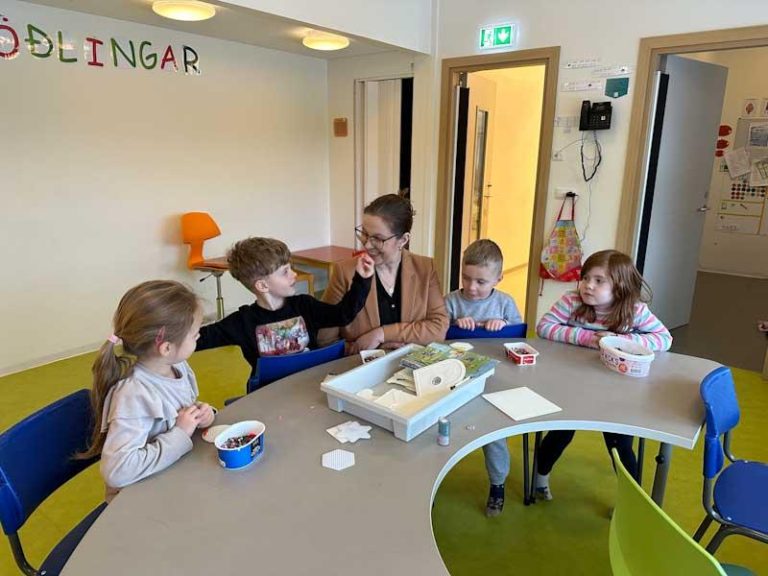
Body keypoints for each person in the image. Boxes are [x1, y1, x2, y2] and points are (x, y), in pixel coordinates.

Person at [534, 249, 672, 501]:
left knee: (620, 445)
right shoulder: (571, 301)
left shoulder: (635, 310)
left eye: (599, 281)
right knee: (559, 433)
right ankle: (539, 479)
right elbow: (544, 327)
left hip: (618, 394)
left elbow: (664, 339)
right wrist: (588, 338)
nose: (588, 286)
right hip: (573, 386)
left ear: (620, 287)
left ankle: (632, 499)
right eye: (586, 278)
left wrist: (619, 341)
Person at [81, 280, 215, 502]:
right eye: (194, 335)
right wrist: (180, 434)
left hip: (172, 478)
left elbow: (177, 413)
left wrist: (201, 414)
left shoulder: (177, 366)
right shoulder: (133, 395)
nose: (199, 337)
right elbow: (117, 471)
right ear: (166, 348)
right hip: (140, 501)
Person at [197, 237, 374, 388]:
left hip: (311, 385)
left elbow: (343, 314)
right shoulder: (242, 322)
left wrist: (362, 280)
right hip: (270, 395)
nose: (294, 274)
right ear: (262, 285)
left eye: (291, 268)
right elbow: (198, 338)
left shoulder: (305, 305)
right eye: (285, 272)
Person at [444, 239, 522, 517]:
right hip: (456, 378)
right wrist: (454, 325)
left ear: (498, 279)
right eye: (466, 278)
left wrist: (505, 325)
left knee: (494, 434)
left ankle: (497, 485)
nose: (471, 287)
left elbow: (520, 339)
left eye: (481, 281)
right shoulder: (451, 301)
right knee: (443, 427)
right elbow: (435, 336)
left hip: (494, 380)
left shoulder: (505, 303)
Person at [318, 194, 449, 352]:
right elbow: (325, 340)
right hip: (361, 364)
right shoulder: (345, 272)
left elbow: (438, 328)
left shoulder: (425, 268)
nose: (367, 245)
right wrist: (367, 349)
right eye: (364, 234)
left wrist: (381, 334)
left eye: (378, 239)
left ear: (403, 240)